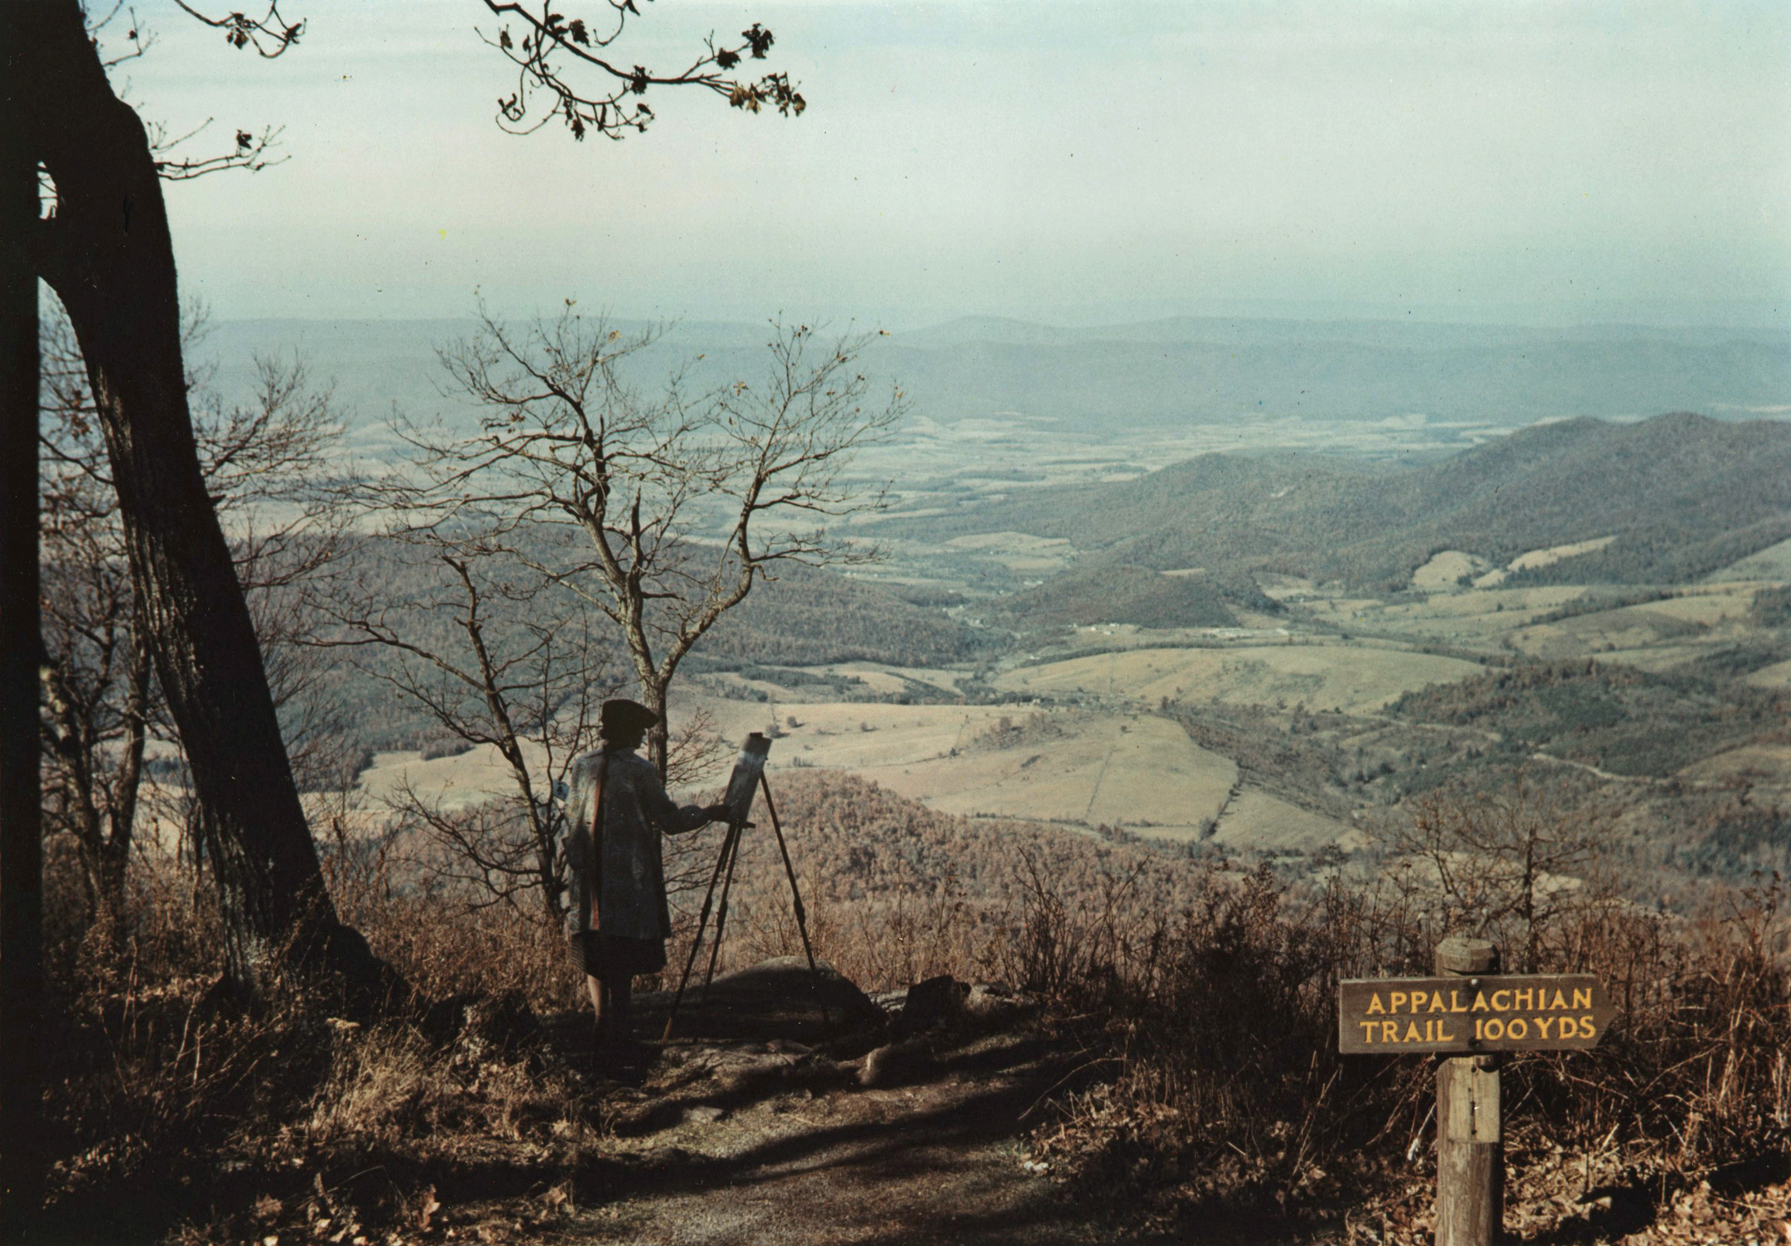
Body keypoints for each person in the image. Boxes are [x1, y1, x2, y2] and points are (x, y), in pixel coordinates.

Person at [559, 698, 730, 1056]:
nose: (642, 734)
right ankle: (618, 1032)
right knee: (620, 955)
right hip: (625, 884)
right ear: (627, 732)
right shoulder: (640, 772)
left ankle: (601, 1024)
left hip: (588, 887)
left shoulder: (582, 766)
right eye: (638, 728)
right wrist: (710, 812)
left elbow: (571, 819)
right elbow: (670, 820)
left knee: (594, 951)